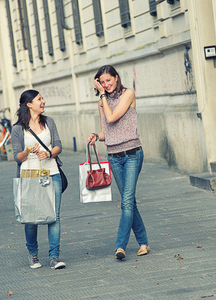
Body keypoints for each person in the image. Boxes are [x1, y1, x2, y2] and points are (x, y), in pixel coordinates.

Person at [87, 65, 149, 260]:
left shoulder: (128, 94)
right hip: (114, 157)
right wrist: (97, 136)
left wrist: (102, 96)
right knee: (128, 202)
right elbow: (107, 130)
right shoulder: (102, 102)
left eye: (108, 80)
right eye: (102, 82)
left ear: (116, 77)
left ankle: (120, 246)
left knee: (127, 202)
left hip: (132, 155)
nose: (106, 85)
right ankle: (144, 242)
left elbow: (113, 117)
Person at [11, 89, 66, 270]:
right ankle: (33, 255)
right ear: (29, 104)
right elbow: (17, 157)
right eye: (39, 99)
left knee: (54, 216)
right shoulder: (18, 129)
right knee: (31, 218)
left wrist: (48, 153)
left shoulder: (49, 122)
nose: (43, 102)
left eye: (42, 99)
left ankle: (54, 257)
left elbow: (58, 145)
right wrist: (28, 151)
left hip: (52, 172)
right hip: (29, 175)